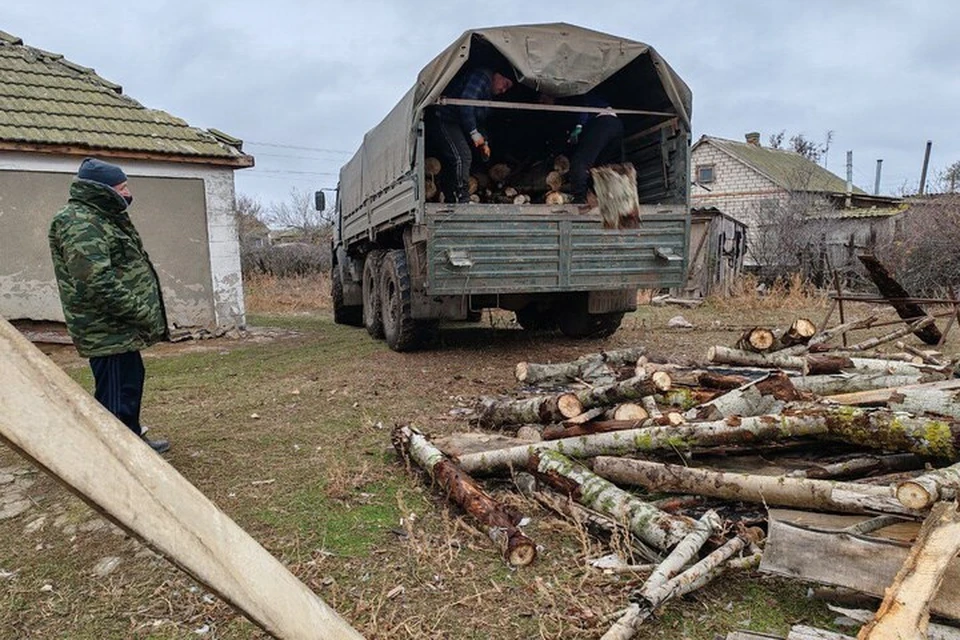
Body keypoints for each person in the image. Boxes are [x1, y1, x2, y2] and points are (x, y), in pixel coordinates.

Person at [48, 158, 171, 453]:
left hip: (118, 328)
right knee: (116, 395)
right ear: (103, 189)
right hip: (106, 330)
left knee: (128, 383)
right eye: (123, 187)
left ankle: (129, 439)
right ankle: (117, 456)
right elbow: (98, 283)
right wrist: (142, 312)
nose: (128, 193)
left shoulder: (101, 215)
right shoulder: (79, 222)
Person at [430, 67, 514, 203]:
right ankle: (460, 196)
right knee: (462, 156)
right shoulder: (482, 77)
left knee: (462, 156)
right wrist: (474, 133)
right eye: (505, 84)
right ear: (498, 75)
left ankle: (452, 194)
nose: (503, 90)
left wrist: (484, 141)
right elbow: (466, 105)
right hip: (444, 117)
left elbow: (479, 120)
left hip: (456, 122)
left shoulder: (488, 94)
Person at [566, 92, 625, 204]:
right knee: (605, 166)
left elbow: (583, 105)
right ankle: (615, 200)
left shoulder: (570, 94)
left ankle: (579, 200)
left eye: (543, 97)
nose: (541, 101)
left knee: (580, 162)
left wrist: (579, 125)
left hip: (603, 122)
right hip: (616, 124)